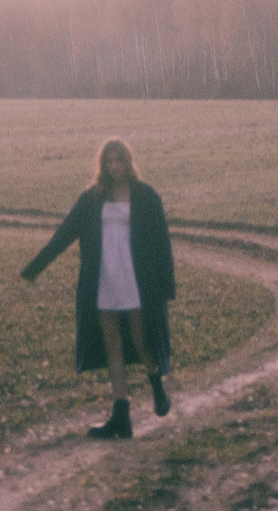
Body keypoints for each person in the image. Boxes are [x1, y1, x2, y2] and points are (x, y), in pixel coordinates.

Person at [18, 136, 176, 440]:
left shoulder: (145, 196)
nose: (114, 166)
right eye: (109, 161)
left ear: (128, 163)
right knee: (112, 344)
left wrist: (167, 285)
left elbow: (161, 243)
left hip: (135, 278)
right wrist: (35, 268)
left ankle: (156, 383)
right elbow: (65, 233)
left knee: (141, 339)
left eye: (119, 160)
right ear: (103, 165)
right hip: (104, 278)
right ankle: (121, 417)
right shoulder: (92, 198)